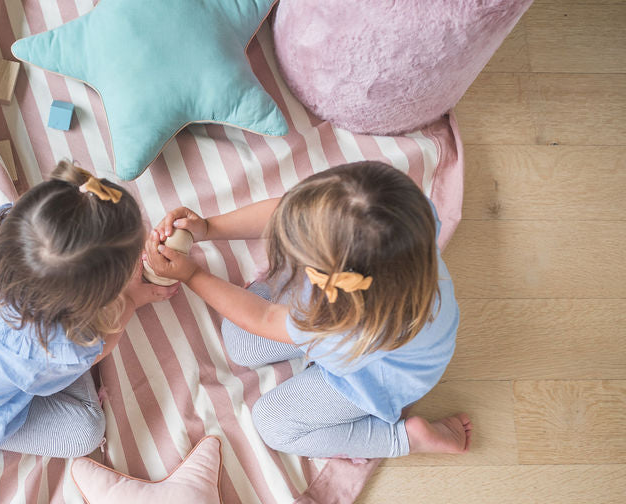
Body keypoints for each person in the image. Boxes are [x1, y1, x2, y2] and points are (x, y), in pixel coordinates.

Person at [144, 161, 472, 460]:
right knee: (239, 340)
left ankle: (404, 440)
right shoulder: (408, 216)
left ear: (332, 280)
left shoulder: (337, 319)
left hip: (374, 378)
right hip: (383, 332)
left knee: (273, 424)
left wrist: (192, 275)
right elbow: (284, 214)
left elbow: (264, 318)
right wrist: (208, 228)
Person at [0, 162, 177, 461]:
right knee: (86, 432)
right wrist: (131, 300)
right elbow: (101, 349)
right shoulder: (55, 349)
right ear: (94, 300)